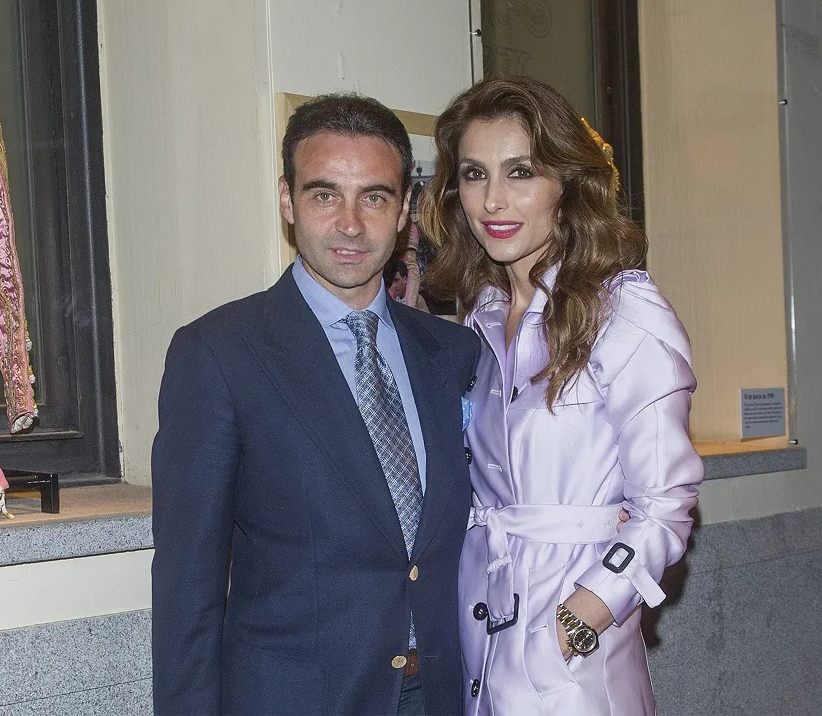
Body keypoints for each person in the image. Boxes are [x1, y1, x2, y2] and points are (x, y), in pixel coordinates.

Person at [151, 93, 481, 716]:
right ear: (287, 200)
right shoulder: (220, 356)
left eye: (375, 197)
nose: (350, 224)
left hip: (438, 695)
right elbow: (186, 588)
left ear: (406, 208)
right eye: (325, 194)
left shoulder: (454, 354)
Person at [418, 76, 704, 715]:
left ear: (566, 185)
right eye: (473, 173)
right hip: (479, 638)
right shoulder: (482, 319)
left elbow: (667, 502)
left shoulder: (624, 311)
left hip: (571, 658)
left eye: (520, 171)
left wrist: (579, 621)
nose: (494, 199)